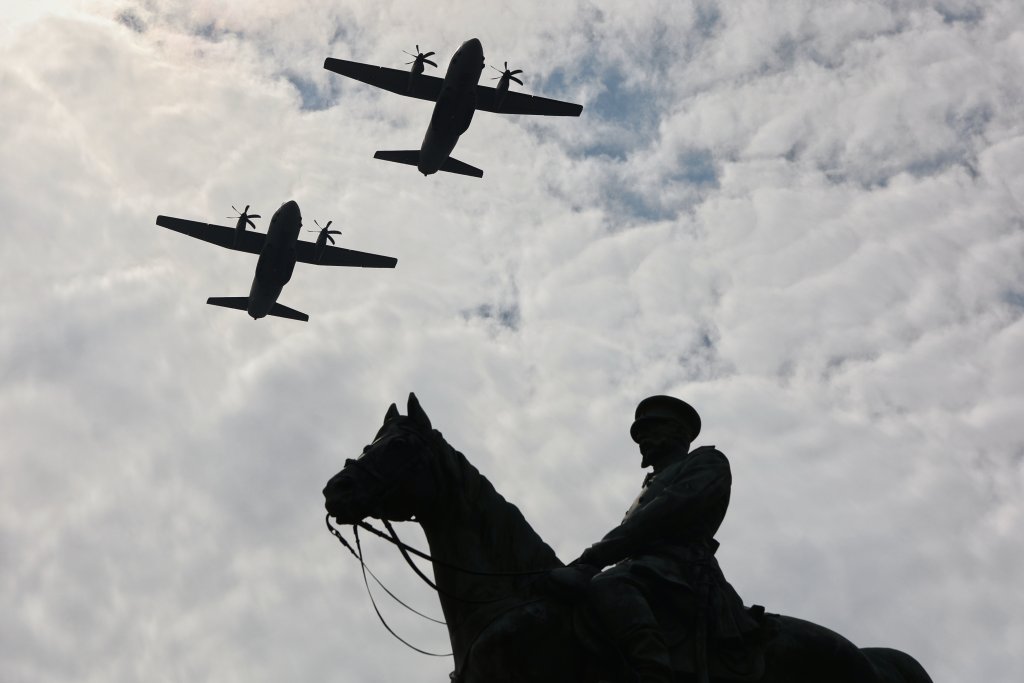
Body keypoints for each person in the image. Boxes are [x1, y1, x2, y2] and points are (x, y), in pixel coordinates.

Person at [553, 396, 758, 683]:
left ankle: (653, 671)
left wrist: (593, 560)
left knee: (610, 585)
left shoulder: (707, 461)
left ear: (678, 432)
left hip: (679, 568)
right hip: (644, 568)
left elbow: (665, 511)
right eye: (639, 435)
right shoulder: (649, 483)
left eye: (651, 431)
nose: (642, 440)